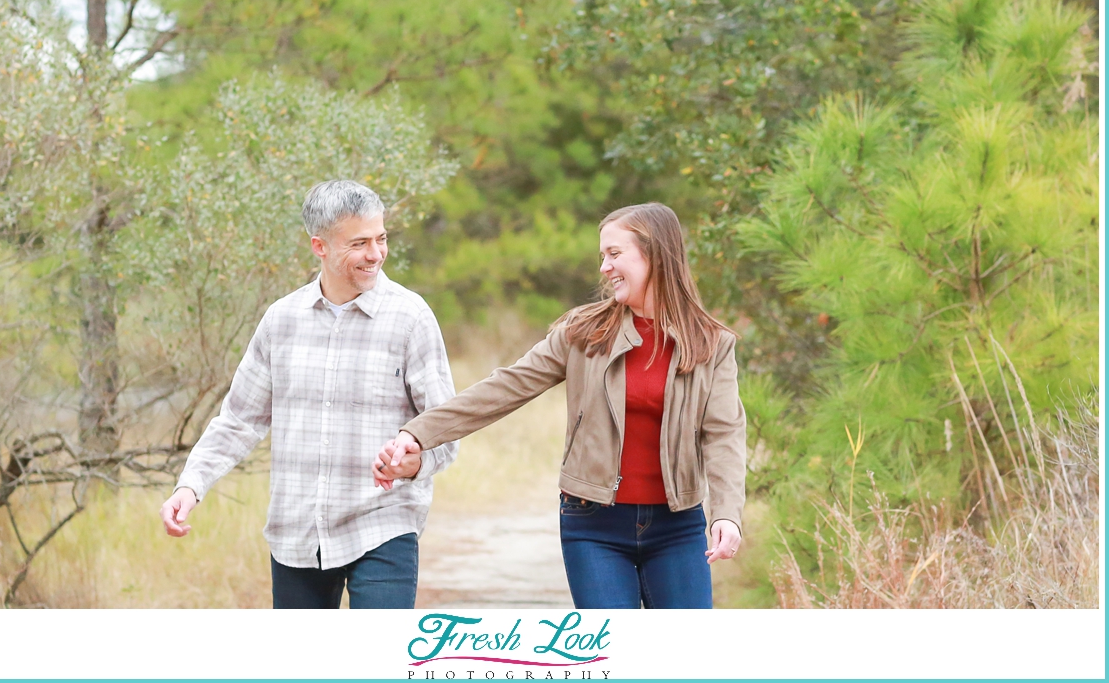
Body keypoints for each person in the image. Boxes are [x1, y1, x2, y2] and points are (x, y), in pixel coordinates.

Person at [372, 203, 745, 609]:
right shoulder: (583, 333)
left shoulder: (711, 343)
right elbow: (507, 386)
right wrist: (418, 432)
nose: (604, 267)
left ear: (654, 254)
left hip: (678, 526)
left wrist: (726, 513)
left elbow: (724, 432)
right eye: (602, 256)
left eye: (615, 254)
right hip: (594, 525)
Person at [160, 179, 458, 608]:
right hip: (295, 534)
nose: (375, 254)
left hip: (383, 527)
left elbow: (445, 429)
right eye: (359, 243)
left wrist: (414, 464)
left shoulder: (411, 318)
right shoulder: (281, 321)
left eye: (381, 238)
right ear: (320, 246)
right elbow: (239, 420)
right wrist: (190, 486)